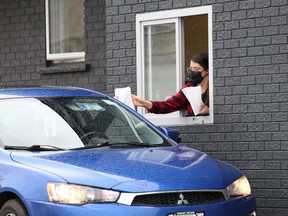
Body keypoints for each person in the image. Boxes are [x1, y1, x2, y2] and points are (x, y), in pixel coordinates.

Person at [132, 52, 209, 116]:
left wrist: (210, 111)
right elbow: (168, 105)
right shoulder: (189, 88)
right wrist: (146, 103)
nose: (193, 72)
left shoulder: (214, 88)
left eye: (196, 69)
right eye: (190, 69)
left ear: (207, 71)